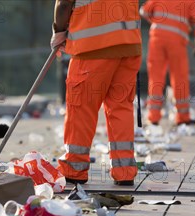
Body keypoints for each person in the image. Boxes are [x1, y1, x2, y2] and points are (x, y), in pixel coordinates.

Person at [52, 0, 142, 186]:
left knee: (81, 108)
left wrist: (59, 31)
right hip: (129, 46)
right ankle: (124, 171)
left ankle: (74, 169)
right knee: (121, 108)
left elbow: (64, 4)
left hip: (92, 48)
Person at [141, 0, 195, 126]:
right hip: (177, 41)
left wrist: (157, 21)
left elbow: (144, 11)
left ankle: (153, 117)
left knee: (155, 78)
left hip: (157, 38)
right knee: (179, 77)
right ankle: (182, 117)